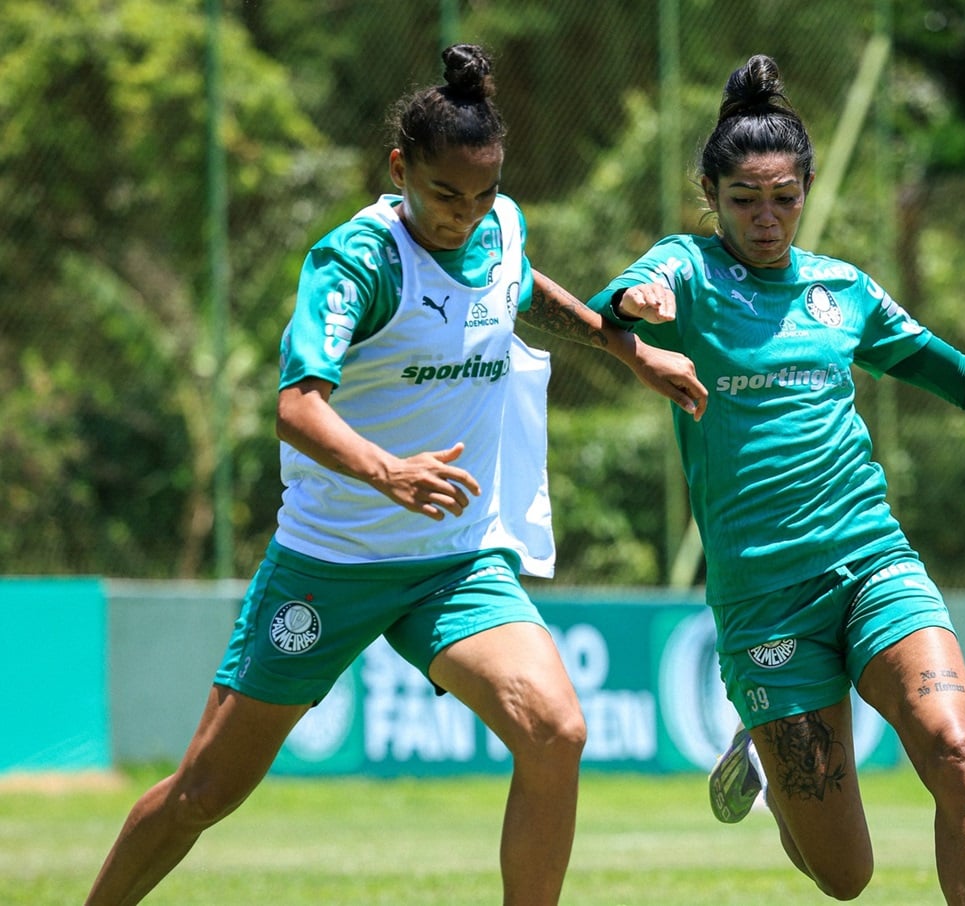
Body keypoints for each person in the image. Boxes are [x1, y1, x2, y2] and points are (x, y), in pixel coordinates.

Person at [85, 44, 705, 906]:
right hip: (331, 563)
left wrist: (627, 350)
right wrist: (389, 473)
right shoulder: (359, 263)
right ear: (399, 168)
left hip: (455, 563)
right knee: (203, 793)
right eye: (444, 194)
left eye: (483, 195)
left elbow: (520, 287)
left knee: (556, 730)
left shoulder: (501, 228)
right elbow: (296, 407)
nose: (465, 214)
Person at [587, 54, 965, 905]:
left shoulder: (844, 292)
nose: (766, 219)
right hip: (765, 599)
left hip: (873, 564)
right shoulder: (687, 268)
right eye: (745, 201)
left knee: (953, 750)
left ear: (806, 189)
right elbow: (614, 300)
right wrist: (635, 307)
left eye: (784, 198)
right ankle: (764, 746)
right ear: (710, 198)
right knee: (845, 876)